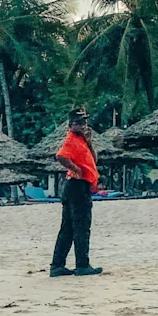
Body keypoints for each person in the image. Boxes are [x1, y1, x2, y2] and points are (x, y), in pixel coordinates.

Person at [51, 108, 103, 277]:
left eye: (84, 122)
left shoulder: (82, 141)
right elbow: (60, 156)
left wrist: (89, 142)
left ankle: (57, 266)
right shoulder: (71, 140)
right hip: (77, 186)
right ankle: (82, 265)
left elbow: (94, 160)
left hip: (77, 186)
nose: (82, 125)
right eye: (78, 123)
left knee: (68, 228)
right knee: (81, 226)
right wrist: (75, 168)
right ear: (71, 125)